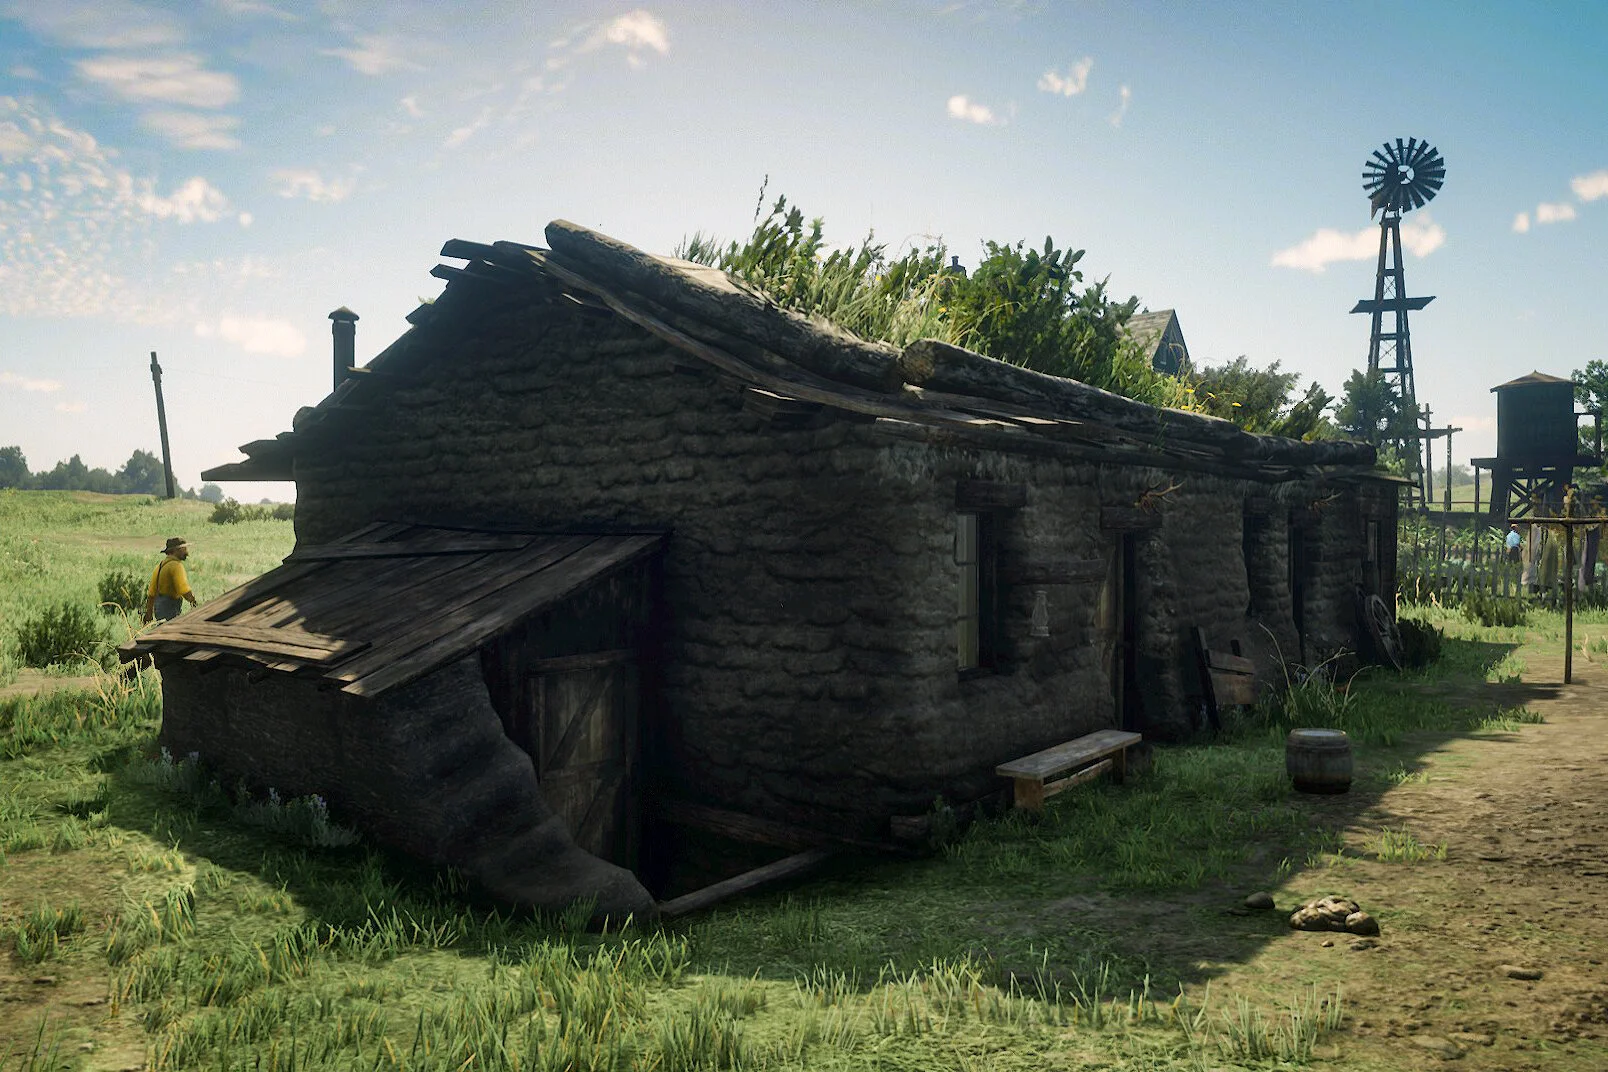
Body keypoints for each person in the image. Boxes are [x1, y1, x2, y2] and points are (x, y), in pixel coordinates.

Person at [144, 537, 199, 622]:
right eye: (184, 549)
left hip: (159, 609)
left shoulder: (160, 566)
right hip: (171, 609)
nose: (186, 553)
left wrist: (149, 613)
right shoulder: (176, 566)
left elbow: (151, 594)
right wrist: (194, 602)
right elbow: (183, 589)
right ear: (176, 550)